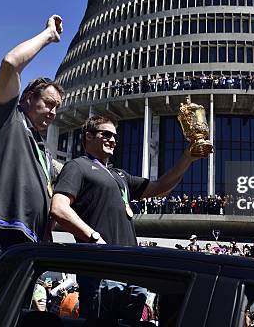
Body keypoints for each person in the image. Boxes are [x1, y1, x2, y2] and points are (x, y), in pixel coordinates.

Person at [50, 115, 204, 320]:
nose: (113, 140)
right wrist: (94, 238)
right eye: (106, 134)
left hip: (132, 272)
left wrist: (188, 158)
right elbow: (59, 208)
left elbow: (160, 187)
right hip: (101, 271)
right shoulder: (78, 166)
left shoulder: (120, 175)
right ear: (88, 136)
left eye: (115, 136)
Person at [0, 15, 65, 288]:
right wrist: (48, 36)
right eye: (48, 103)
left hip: (27, 242)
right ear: (28, 97)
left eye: (57, 108)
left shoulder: (42, 151)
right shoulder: (7, 117)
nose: (53, 113)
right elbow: (10, 63)